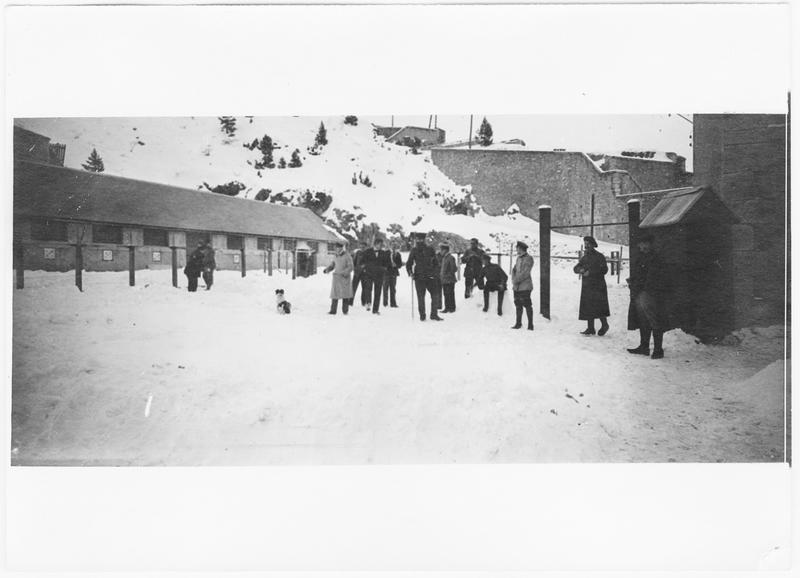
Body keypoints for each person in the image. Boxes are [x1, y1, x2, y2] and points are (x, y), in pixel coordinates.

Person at [627, 233, 671, 359]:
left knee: (654, 320)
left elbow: (653, 277)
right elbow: (639, 274)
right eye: (640, 244)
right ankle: (644, 347)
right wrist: (633, 282)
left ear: (649, 244)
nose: (640, 246)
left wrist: (640, 286)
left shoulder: (655, 258)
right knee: (643, 320)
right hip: (640, 292)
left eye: (643, 243)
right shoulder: (642, 257)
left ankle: (658, 350)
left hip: (650, 293)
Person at [573, 236, 610, 336]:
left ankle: (605, 325)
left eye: (588, 243)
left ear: (593, 244)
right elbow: (576, 267)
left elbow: (604, 270)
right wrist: (580, 270)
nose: (586, 245)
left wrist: (591, 272)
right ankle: (590, 328)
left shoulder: (600, 256)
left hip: (598, 286)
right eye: (585, 243)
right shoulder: (584, 257)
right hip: (587, 286)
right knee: (588, 306)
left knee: (599, 306)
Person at [405, 233, 443, 321]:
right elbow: (409, 263)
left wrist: (435, 273)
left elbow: (436, 263)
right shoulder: (414, 250)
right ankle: (422, 315)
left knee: (435, 295)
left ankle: (433, 314)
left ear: (424, 239)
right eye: (418, 239)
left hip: (430, 277)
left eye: (421, 239)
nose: (419, 241)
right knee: (421, 297)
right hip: (419, 277)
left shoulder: (430, 249)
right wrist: (410, 272)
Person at [361, 238, 392, 314]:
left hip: (379, 275)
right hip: (369, 274)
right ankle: (368, 302)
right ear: (375, 244)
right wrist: (365, 268)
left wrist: (384, 269)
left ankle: (375, 310)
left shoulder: (383, 253)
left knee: (378, 292)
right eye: (380, 244)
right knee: (368, 289)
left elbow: (388, 264)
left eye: (382, 245)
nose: (381, 246)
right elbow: (362, 262)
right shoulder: (367, 252)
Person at [323, 242, 354, 315]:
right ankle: (333, 310)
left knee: (345, 295)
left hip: (344, 278)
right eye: (335, 248)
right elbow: (333, 264)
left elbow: (351, 267)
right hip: (336, 278)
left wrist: (344, 273)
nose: (335, 249)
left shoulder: (347, 256)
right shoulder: (335, 256)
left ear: (341, 248)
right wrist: (327, 269)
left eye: (337, 247)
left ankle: (345, 311)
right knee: (335, 294)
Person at [511, 241, 534, 330]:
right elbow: (514, 270)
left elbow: (526, 272)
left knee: (527, 305)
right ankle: (518, 323)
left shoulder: (529, 258)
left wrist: (516, 280)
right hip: (517, 287)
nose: (516, 249)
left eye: (517, 248)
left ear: (521, 248)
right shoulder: (518, 258)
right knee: (518, 305)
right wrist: (513, 279)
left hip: (525, 286)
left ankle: (530, 325)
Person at [382, 243, 403, 308]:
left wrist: (396, 265)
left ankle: (393, 303)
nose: (394, 248)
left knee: (393, 289)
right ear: (390, 246)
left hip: (394, 273)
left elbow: (400, 264)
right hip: (386, 273)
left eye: (395, 247)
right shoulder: (386, 253)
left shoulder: (398, 254)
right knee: (385, 288)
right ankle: (385, 303)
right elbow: (383, 263)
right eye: (392, 246)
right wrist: (389, 265)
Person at [439, 243, 458, 313]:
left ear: (445, 250)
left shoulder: (451, 258)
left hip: (449, 280)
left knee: (450, 294)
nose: (440, 251)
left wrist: (448, 275)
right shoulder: (444, 258)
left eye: (441, 250)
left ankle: (452, 308)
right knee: (446, 294)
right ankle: (447, 308)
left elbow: (454, 269)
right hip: (444, 280)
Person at [350, 241, 368, 308]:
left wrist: (365, 266)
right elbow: (354, 262)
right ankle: (350, 302)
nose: (362, 247)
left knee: (365, 289)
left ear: (366, 247)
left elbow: (369, 263)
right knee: (353, 288)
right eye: (361, 246)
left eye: (364, 246)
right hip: (357, 273)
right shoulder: (358, 253)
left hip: (365, 273)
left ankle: (364, 302)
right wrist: (354, 269)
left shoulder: (368, 253)